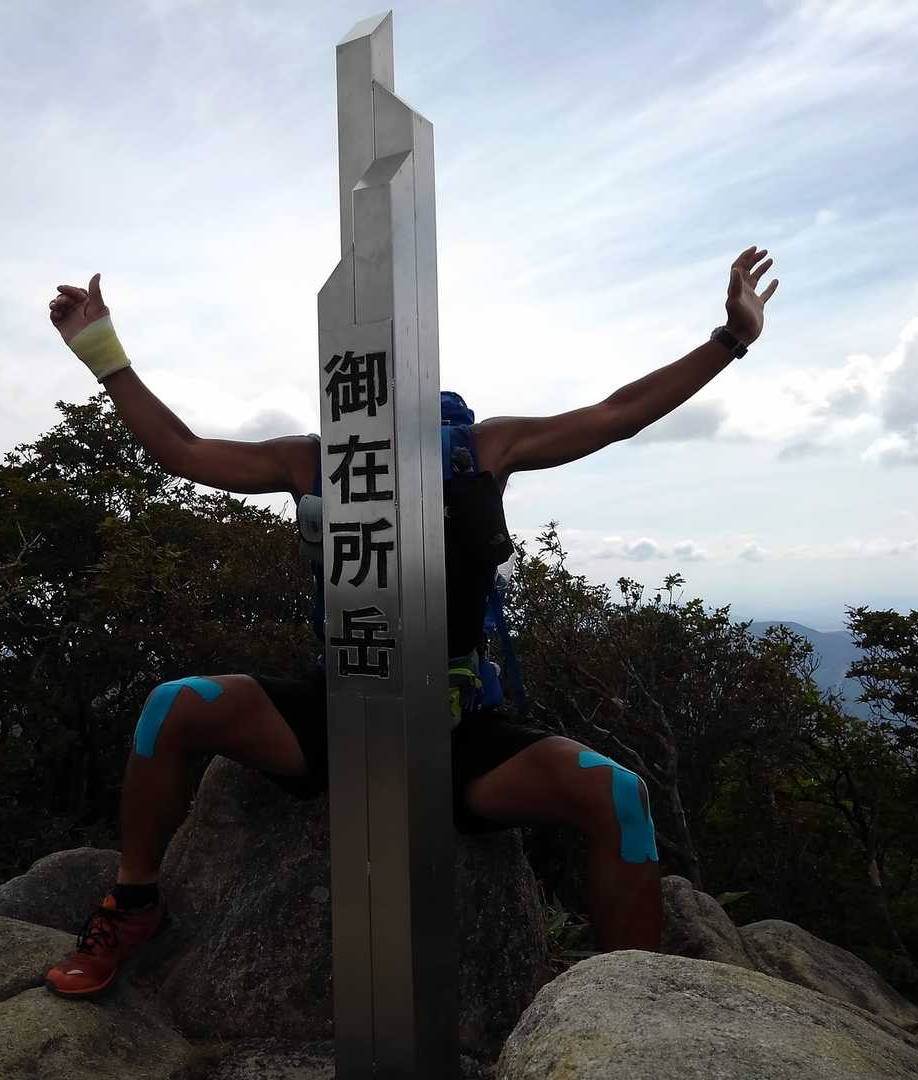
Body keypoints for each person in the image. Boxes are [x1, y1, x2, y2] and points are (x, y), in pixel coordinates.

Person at [40, 247, 779, 997]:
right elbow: (183, 451)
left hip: (455, 726)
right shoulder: (313, 461)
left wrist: (730, 340)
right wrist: (103, 353)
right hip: (341, 707)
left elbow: (618, 415)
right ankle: (134, 904)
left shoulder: (481, 450)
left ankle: (630, 1010)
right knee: (174, 707)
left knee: (617, 795)